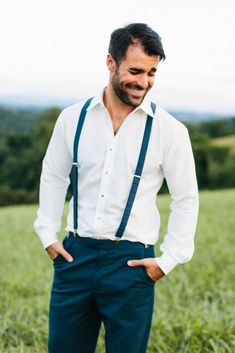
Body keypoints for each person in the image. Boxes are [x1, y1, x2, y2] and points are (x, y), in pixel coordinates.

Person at [34, 23, 199, 353]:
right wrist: (48, 235)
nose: (143, 82)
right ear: (111, 62)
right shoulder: (72, 118)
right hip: (74, 256)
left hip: (132, 264)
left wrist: (168, 260)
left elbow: (185, 197)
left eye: (152, 73)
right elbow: (53, 175)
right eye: (135, 71)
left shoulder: (171, 131)